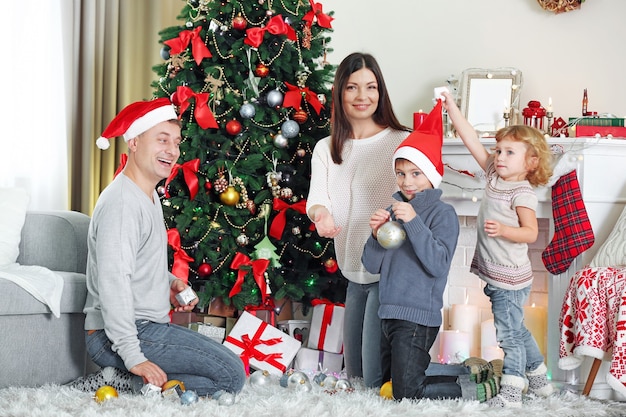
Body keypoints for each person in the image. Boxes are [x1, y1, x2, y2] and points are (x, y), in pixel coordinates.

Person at [68, 98, 246, 396]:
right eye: (162, 140)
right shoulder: (123, 204)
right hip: (119, 335)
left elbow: (134, 264)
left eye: (176, 142)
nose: (173, 151)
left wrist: (170, 282)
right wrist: (133, 355)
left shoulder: (146, 195)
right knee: (230, 375)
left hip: (146, 327)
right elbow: (114, 280)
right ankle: (124, 381)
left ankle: (130, 380)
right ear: (134, 142)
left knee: (225, 366)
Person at [361, 99, 499, 402]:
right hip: (389, 313)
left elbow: (437, 264)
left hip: (417, 318)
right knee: (390, 385)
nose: (407, 181)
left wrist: (413, 224)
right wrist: (374, 235)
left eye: (415, 173)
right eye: (401, 173)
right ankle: (471, 372)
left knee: (406, 392)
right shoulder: (393, 210)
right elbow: (372, 265)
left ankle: (476, 390)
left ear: (431, 175)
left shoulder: (442, 214)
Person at [442, 90, 554, 407]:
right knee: (517, 329)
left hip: (510, 280)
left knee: (508, 336)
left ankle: (511, 392)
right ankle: (540, 383)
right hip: (496, 274)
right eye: (499, 150)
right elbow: (472, 140)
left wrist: (505, 229)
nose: (500, 157)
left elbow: (531, 232)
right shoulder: (494, 174)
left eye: (509, 153)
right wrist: (452, 108)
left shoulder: (522, 193)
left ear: (531, 162)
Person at [306, 52, 411, 388]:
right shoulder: (327, 148)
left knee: (372, 375)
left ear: (381, 93)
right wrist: (320, 216)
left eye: (370, 87)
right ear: (340, 93)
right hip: (353, 272)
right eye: (352, 87)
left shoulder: (401, 141)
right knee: (354, 374)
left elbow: (417, 198)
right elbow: (318, 199)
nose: (362, 96)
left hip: (390, 272)